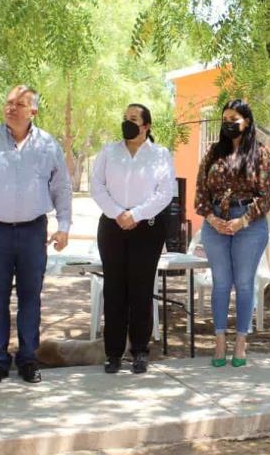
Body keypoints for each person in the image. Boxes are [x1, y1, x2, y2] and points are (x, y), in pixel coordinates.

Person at [0, 85, 72, 385]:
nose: (12, 108)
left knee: (30, 298)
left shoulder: (48, 145)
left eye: (20, 104)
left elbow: (61, 188)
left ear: (33, 110)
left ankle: (28, 359)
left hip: (34, 233)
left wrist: (64, 225)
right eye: (8, 102)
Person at [90, 103, 174, 374]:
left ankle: (139, 350)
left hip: (147, 229)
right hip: (113, 227)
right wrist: (118, 214)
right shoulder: (109, 151)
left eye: (134, 119)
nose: (127, 122)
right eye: (125, 118)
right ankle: (113, 353)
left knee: (140, 289)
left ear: (146, 126)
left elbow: (165, 193)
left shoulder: (160, 154)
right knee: (115, 290)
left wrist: (135, 214)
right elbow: (97, 186)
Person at [194, 99, 270, 368]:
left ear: (247, 122)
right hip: (215, 224)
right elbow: (200, 194)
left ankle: (241, 342)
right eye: (225, 118)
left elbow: (265, 197)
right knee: (221, 283)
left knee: (242, 283)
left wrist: (242, 221)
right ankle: (219, 342)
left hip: (249, 226)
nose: (228, 123)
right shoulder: (212, 153)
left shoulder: (261, 153)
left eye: (234, 119)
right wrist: (212, 218)